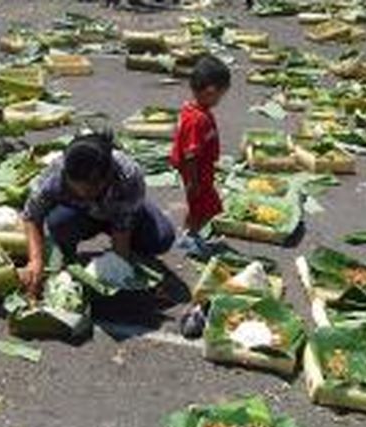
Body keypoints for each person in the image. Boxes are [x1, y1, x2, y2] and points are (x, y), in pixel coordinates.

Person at [20, 132, 175, 297]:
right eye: (77, 188)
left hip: (122, 210)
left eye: (91, 188)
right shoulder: (54, 176)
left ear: (107, 176)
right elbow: (31, 216)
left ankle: (135, 256)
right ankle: (68, 259)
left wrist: (117, 268)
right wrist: (35, 261)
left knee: (161, 238)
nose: (83, 192)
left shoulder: (128, 175)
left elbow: (122, 225)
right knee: (58, 222)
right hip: (82, 213)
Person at [170, 55, 231, 254]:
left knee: (199, 206)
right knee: (207, 206)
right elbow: (190, 155)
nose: (220, 100)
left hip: (201, 170)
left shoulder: (196, 110)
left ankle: (189, 234)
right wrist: (193, 181)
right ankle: (189, 237)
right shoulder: (197, 119)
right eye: (221, 95)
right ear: (210, 91)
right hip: (197, 173)